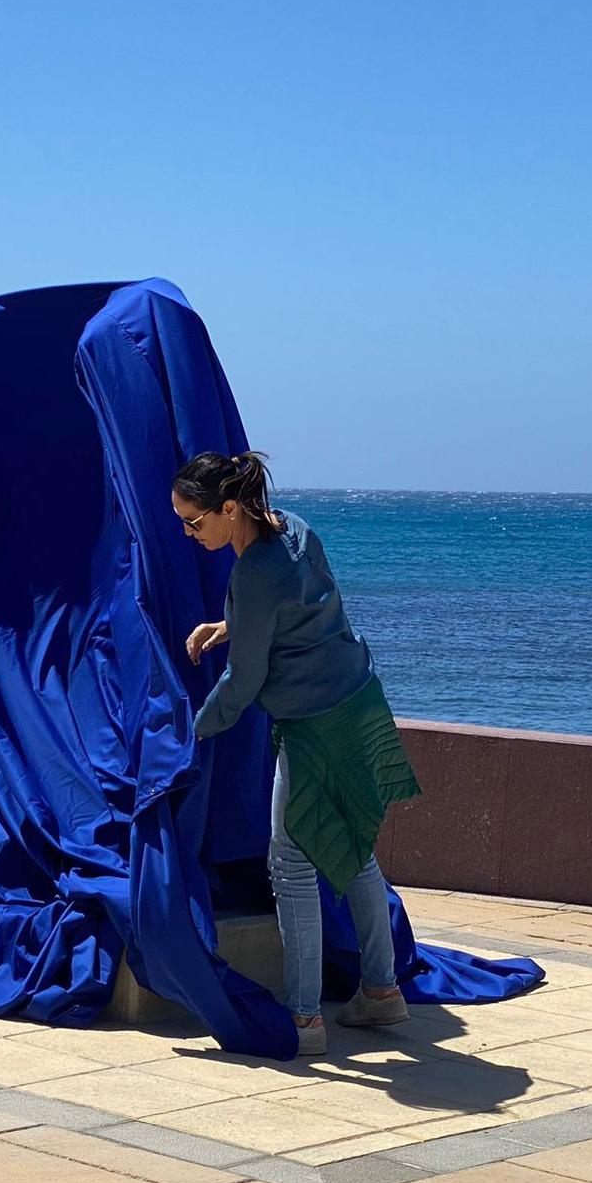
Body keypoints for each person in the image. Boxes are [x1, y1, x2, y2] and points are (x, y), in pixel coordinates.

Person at [177, 452, 416, 1057]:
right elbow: (308, 607)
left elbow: (243, 683)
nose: (189, 534)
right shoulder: (296, 527)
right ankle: (383, 991)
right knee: (352, 845)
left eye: (194, 522)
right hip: (358, 698)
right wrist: (230, 625)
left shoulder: (251, 574)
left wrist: (190, 734)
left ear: (229, 509)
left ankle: (305, 1019)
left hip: (316, 722)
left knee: (290, 863)